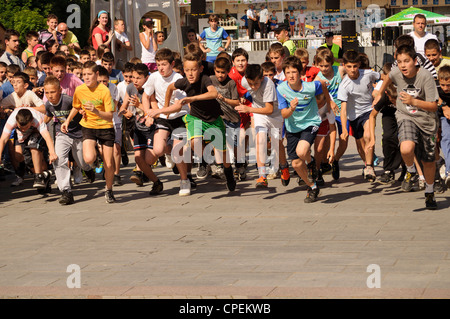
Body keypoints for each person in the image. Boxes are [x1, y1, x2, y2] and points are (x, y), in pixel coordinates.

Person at [150, 52, 237, 192]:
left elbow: (213, 93)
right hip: (195, 118)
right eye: (187, 70)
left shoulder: (205, 79)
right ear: (184, 70)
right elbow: (170, 88)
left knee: (224, 157)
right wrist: (165, 108)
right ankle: (209, 160)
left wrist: (193, 99)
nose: (190, 73)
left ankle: (228, 172)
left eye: (194, 70)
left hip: (214, 120)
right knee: (194, 142)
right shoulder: (183, 82)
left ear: (200, 69)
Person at [389, 44, 440, 209]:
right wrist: (379, 92)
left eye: (406, 61)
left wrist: (413, 101)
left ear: (415, 61)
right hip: (406, 116)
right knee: (405, 149)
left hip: (427, 121)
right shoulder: (397, 72)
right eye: (399, 61)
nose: (403, 65)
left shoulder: (425, 76)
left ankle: (430, 192)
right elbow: (387, 78)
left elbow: (434, 106)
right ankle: (410, 171)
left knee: (428, 162)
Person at [61, 61, 116, 203]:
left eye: (89, 74)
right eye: (84, 74)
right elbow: (76, 106)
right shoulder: (80, 90)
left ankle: (109, 190)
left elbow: (110, 115)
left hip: (105, 127)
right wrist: (67, 121)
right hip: (88, 126)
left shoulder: (104, 90)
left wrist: (96, 111)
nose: (86, 77)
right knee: (88, 159)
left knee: (109, 163)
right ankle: (96, 155)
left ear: (96, 74)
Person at [142, 48, 194, 196]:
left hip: (180, 117)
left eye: (164, 64)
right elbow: (145, 97)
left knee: (178, 153)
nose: (161, 68)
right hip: (164, 119)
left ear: (172, 64)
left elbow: (178, 105)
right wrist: (148, 115)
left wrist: (157, 111)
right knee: (158, 150)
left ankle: (184, 181)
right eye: (158, 65)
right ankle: (168, 152)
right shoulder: (154, 77)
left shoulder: (178, 79)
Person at [276, 56, 327, 203]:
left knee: (302, 151)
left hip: (311, 122)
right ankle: (313, 186)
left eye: (294, 72)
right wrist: (291, 108)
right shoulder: (281, 89)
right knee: (296, 164)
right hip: (293, 127)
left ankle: (311, 163)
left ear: (300, 73)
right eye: (288, 72)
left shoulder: (311, 87)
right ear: (284, 74)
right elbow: (284, 114)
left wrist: (328, 103)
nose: (291, 76)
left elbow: (322, 85)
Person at [43, 76, 95, 204]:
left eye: (53, 92)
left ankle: (88, 169)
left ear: (60, 90)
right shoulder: (48, 105)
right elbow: (48, 117)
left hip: (79, 134)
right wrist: (37, 125)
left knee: (83, 162)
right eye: (47, 92)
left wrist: (83, 112)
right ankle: (66, 191)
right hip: (63, 134)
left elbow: (80, 108)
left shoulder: (68, 100)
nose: (50, 95)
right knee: (59, 159)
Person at [237, 64, 290, 188]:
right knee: (260, 140)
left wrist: (248, 108)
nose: (253, 87)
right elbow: (243, 93)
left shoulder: (268, 85)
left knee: (277, 143)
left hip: (274, 114)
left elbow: (269, 109)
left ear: (261, 78)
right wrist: (243, 99)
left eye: (256, 84)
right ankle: (262, 176)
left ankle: (284, 166)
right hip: (258, 112)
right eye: (250, 84)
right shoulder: (245, 81)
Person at [337, 50, 380, 182]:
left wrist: (378, 91)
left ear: (359, 64)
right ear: (344, 65)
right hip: (353, 116)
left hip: (368, 111)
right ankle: (367, 164)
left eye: (355, 66)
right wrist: (344, 129)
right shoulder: (344, 85)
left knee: (368, 136)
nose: (353, 70)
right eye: (349, 67)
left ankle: (368, 167)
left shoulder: (367, 73)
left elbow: (384, 77)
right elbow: (343, 110)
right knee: (361, 146)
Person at [0, 107, 57, 191]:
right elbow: (3, 139)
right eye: (20, 127)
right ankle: (46, 174)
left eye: (25, 127)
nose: (23, 129)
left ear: (31, 121)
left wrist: (52, 152)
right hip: (21, 136)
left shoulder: (37, 119)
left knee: (34, 148)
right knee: (21, 157)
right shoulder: (12, 119)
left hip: (36, 131)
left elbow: (47, 137)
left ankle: (39, 176)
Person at [210, 57, 243, 179]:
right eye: (218, 71)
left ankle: (239, 165)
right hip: (218, 117)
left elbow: (236, 102)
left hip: (232, 118)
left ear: (228, 71)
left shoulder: (231, 83)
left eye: (223, 72)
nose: (220, 75)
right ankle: (220, 166)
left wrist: (224, 99)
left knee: (233, 144)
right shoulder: (211, 80)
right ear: (214, 70)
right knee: (217, 141)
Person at [437, 65, 450, 188]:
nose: (445, 88)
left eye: (449, 85)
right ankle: (448, 172)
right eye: (443, 85)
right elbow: (435, 97)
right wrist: (444, 106)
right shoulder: (436, 89)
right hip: (443, 117)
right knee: (446, 139)